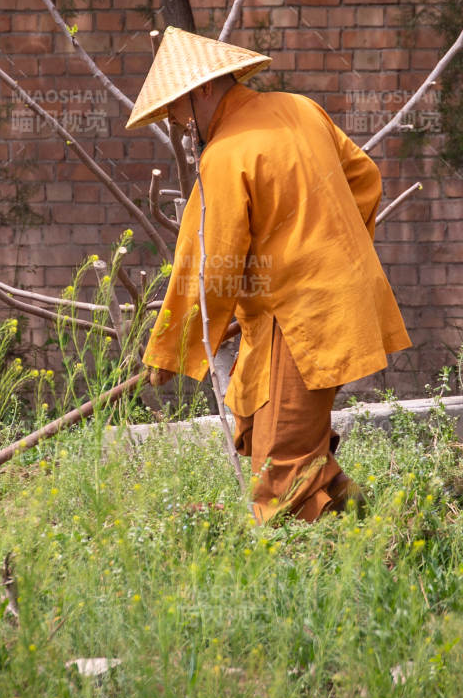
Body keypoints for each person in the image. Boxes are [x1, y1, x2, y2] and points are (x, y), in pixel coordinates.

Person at [126, 26, 410, 523]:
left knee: (281, 474)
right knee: (262, 428)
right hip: (314, 308)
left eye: (177, 110)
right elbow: (365, 178)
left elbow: (208, 261)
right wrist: (341, 255)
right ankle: (379, 532)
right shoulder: (301, 108)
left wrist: (171, 350)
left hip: (299, 319)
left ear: (204, 89)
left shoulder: (225, 156)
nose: (178, 124)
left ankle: (291, 578)